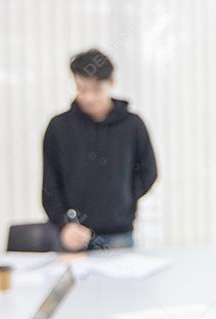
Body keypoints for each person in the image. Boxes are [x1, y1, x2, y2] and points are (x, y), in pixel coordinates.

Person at [42, 48, 157, 251]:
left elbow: (149, 172)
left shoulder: (132, 125)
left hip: (119, 234)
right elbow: (50, 185)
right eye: (81, 88)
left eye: (96, 89)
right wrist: (64, 224)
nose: (88, 97)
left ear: (111, 82)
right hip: (73, 237)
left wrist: (123, 197)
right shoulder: (58, 128)